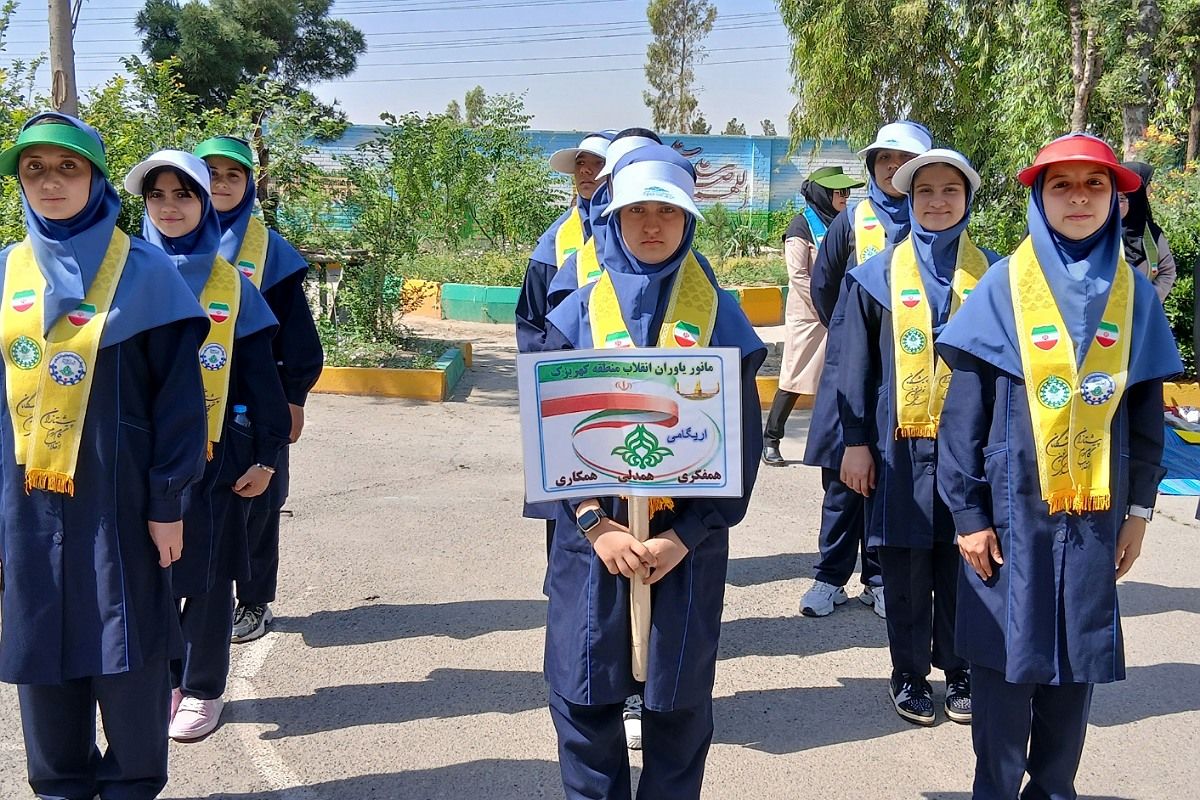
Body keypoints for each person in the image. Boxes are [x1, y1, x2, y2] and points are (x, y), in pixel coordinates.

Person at [936, 134, 1181, 798]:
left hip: (1095, 523)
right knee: (1002, 679)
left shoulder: (1134, 297)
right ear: (1039, 198)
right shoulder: (1001, 288)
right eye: (1061, 185)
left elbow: (1145, 420)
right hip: (1008, 521)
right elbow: (963, 418)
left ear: (1118, 200)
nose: (1078, 198)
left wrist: (1139, 512)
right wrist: (968, 516)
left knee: (1073, 675)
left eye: (1094, 184)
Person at [540, 144, 765, 799]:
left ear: (688, 220)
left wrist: (684, 536)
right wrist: (596, 525)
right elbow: (549, 442)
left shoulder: (719, 317)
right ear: (613, 217)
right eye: (637, 210)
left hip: (683, 549)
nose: (652, 225)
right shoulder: (577, 313)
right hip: (594, 545)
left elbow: (740, 447)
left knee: (679, 706)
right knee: (583, 699)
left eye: (667, 212)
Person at [0, 113, 209, 799]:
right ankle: (60, 785)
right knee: (41, 648)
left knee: (130, 652)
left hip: (122, 508)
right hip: (25, 508)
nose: (50, 183)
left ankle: (131, 783)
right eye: (34, 169)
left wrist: (168, 502)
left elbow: (179, 405)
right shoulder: (7, 272)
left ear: (95, 178)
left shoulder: (145, 273)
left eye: (68, 167)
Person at [127, 149, 291, 742]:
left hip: (216, 460)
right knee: (151, 575)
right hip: (141, 460)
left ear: (205, 204)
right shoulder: (125, 276)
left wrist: (265, 456)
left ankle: (202, 687)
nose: (170, 207)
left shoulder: (231, 285)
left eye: (184, 194)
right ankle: (166, 679)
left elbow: (262, 379)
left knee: (208, 577)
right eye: (157, 195)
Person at [838, 149, 999, 726]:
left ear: (967, 200)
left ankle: (960, 669)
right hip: (897, 447)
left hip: (971, 446)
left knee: (965, 558)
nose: (937, 201)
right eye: (924, 191)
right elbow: (853, 364)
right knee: (904, 566)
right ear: (907, 199)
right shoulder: (876, 276)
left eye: (950, 190)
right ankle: (907, 673)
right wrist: (855, 441)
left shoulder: (996, 277)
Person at [799, 121, 933, 619]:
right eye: (884, 159)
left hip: (910, 369)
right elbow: (824, 282)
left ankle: (877, 578)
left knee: (892, 473)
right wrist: (849, 330)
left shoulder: (934, 218)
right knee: (842, 476)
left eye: (904, 160)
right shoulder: (853, 218)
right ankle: (829, 576)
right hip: (853, 364)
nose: (893, 168)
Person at [193, 136, 323, 645]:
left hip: (253, 401)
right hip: (183, 400)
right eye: (211, 173)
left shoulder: (271, 254)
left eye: (234, 175)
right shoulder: (162, 239)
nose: (221, 184)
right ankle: (195, 598)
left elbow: (297, 336)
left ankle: (253, 600)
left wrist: (294, 398)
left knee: (257, 504)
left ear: (249, 184)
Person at [517, 130, 614, 556]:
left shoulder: (647, 238)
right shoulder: (556, 241)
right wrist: (549, 385)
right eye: (581, 165)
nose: (587, 172)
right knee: (570, 500)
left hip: (630, 394)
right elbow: (531, 320)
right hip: (572, 393)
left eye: (597, 164)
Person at [762, 165, 864, 465]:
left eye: (847, 191)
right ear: (822, 193)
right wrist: (824, 306)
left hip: (841, 313)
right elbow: (798, 276)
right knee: (794, 377)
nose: (845, 196)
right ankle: (771, 439)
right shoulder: (801, 226)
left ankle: (838, 442)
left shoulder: (847, 224)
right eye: (839, 191)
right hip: (810, 316)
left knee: (840, 379)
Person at [1118, 160, 1176, 302]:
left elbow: (1167, 271)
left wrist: (1148, 300)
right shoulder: (1101, 233)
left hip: (1145, 311)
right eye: (1117, 198)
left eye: (1122, 198)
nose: (1152, 190)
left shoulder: (1151, 232)